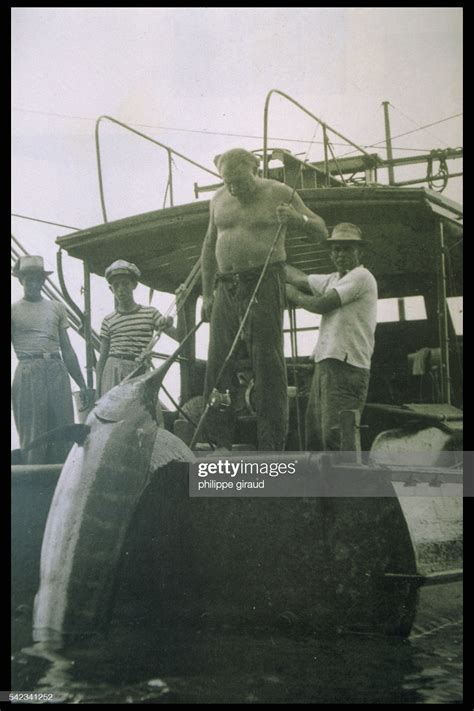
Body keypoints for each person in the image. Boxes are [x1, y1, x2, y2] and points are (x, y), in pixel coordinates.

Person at [200, 147, 328, 451]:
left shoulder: (279, 192)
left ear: (255, 170)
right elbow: (208, 246)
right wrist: (207, 294)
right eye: (228, 181)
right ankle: (218, 442)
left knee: (266, 361)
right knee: (218, 361)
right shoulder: (218, 199)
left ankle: (272, 443)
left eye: (239, 181)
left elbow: (321, 230)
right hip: (226, 286)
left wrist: (297, 219)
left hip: (264, 280)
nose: (234, 188)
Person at [285, 223, 377, 450]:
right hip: (326, 366)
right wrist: (276, 263)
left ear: (359, 252)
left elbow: (320, 304)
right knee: (315, 435)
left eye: (347, 249)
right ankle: (324, 485)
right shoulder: (334, 279)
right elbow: (301, 278)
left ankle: (344, 486)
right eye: (336, 249)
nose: (340, 254)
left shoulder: (362, 276)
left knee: (336, 438)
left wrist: (288, 292)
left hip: (347, 368)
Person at [11, 255, 90, 464]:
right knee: (33, 435)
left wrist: (82, 385)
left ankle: (61, 486)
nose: (32, 283)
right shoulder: (13, 310)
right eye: (28, 278)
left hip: (56, 370)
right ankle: (34, 490)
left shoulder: (56, 307)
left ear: (43, 281)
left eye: (37, 278)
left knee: (63, 431)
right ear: (21, 280)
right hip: (28, 372)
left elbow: (68, 349)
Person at [96, 260, 179, 397]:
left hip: (138, 371)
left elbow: (180, 337)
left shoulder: (150, 313)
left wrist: (169, 323)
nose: (120, 290)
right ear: (111, 289)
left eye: (125, 284)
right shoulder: (108, 320)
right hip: (112, 372)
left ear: (134, 285)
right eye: (116, 286)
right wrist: (98, 391)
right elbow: (102, 359)